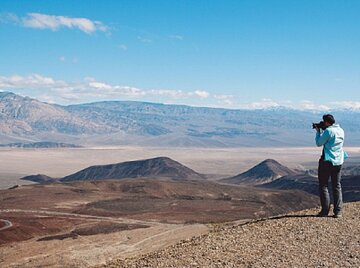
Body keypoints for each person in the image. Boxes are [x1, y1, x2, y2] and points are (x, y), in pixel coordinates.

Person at [314, 114, 346, 218]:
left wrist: (318, 132)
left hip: (327, 161)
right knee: (336, 185)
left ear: (327, 122)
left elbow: (319, 143)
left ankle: (325, 211)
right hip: (338, 161)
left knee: (324, 185)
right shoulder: (341, 130)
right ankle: (338, 211)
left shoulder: (328, 131)